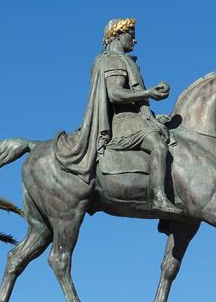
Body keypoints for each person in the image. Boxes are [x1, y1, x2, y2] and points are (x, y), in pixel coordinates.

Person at [55, 18, 180, 213]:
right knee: (158, 145)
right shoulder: (113, 60)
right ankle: (158, 197)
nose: (134, 40)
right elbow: (115, 93)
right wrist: (149, 93)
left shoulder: (122, 60)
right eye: (131, 34)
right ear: (118, 35)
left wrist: (153, 116)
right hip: (125, 123)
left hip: (136, 118)